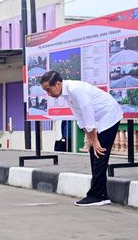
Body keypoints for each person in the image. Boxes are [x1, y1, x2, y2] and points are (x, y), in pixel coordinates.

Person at [40, 70, 123, 207]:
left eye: (49, 89)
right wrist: (89, 137)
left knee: (99, 153)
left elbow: (87, 112)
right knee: (94, 153)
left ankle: (97, 195)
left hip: (109, 116)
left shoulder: (75, 89)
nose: (49, 94)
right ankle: (101, 194)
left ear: (58, 83)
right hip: (98, 120)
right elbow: (79, 116)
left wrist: (95, 140)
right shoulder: (67, 94)